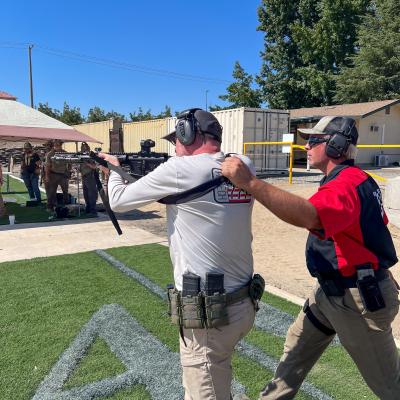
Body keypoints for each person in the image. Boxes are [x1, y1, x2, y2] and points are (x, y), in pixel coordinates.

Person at [222, 116, 400, 399]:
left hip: (355, 299)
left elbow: (311, 216)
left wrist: (251, 183)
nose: (306, 146)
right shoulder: (352, 179)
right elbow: (371, 232)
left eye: (313, 140)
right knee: (294, 352)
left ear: (336, 145)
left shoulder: (346, 183)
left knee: (391, 386)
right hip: (332, 292)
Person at [101, 108, 259, 400]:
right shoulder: (242, 164)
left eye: (177, 138)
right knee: (213, 377)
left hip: (210, 315)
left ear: (188, 134)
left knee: (204, 390)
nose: (174, 146)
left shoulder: (177, 170)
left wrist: (113, 170)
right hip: (243, 304)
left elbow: (119, 201)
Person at [45, 139, 71, 211]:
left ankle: (66, 206)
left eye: (58, 145)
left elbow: (70, 163)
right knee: (52, 192)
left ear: (61, 145)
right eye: (55, 145)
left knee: (65, 191)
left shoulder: (65, 153)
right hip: (53, 174)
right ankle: (51, 206)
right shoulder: (50, 154)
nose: (56, 146)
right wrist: (47, 176)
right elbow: (47, 166)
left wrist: (69, 171)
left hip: (63, 174)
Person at [80, 142, 98, 215]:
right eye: (82, 148)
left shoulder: (91, 155)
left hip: (90, 175)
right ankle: (88, 208)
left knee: (92, 194)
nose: (83, 149)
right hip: (84, 176)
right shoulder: (82, 155)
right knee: (86, 194)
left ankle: (93, 209)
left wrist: (87, 163)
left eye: (84, 148)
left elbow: (95, 166)